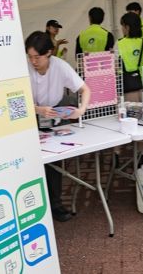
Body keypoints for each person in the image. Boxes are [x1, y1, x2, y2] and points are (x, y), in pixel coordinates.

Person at [25, 31, 91, 222]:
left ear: (49, 53)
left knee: (54, 162)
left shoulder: (60, 66)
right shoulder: (23, 67)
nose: (33, 61)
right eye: (30, 57)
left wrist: (80, 110)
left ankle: (55, 204)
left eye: (37, 57)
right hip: (28, 117)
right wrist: (37, 109)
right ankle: (31, 206)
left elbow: (85, 89)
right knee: (30, 161)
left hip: (53, 117)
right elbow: (13, 100)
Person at [118, 12, 143, 102]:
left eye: (122, 26)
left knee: (131, 110)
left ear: (127, 27)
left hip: (128, 85)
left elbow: (115, 65)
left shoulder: (119, 43)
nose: (122, 28)